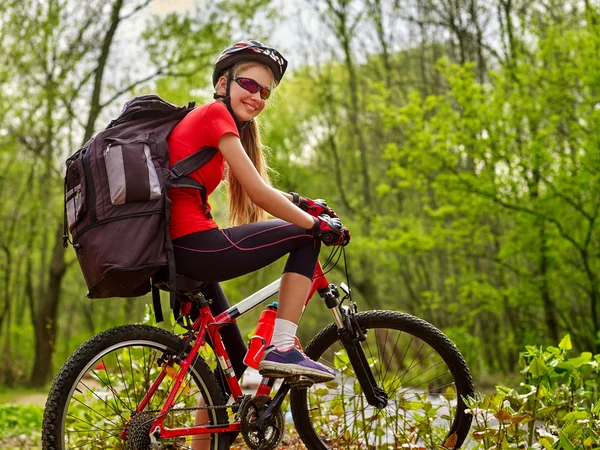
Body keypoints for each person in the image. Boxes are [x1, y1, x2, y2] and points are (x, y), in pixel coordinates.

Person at [167, 40, 350, 449]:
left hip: (180, 253)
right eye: (249, 83)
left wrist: (304, 203)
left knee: (227, 375)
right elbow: (259, 192)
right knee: (304, 236)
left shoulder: (217, 122)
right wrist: (314, 225)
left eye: (266, 91)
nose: (257, 96)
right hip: (194, 244)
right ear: (223, 82)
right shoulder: (215, 112)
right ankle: (283, 346)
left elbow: (256, 191)